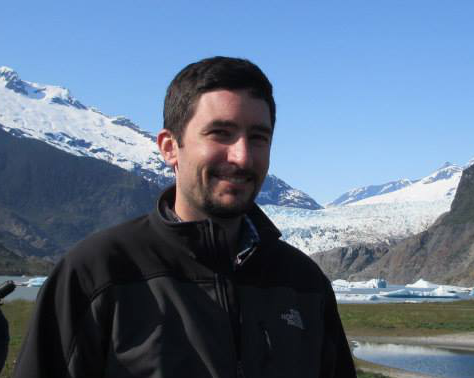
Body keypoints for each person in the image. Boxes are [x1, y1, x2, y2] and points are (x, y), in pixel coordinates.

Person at [14, 57, 356, 377]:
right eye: (220, 133)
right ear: (169, 147)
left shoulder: (304, 284)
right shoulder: (96, 275)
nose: (242, 156)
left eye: (258, 137)